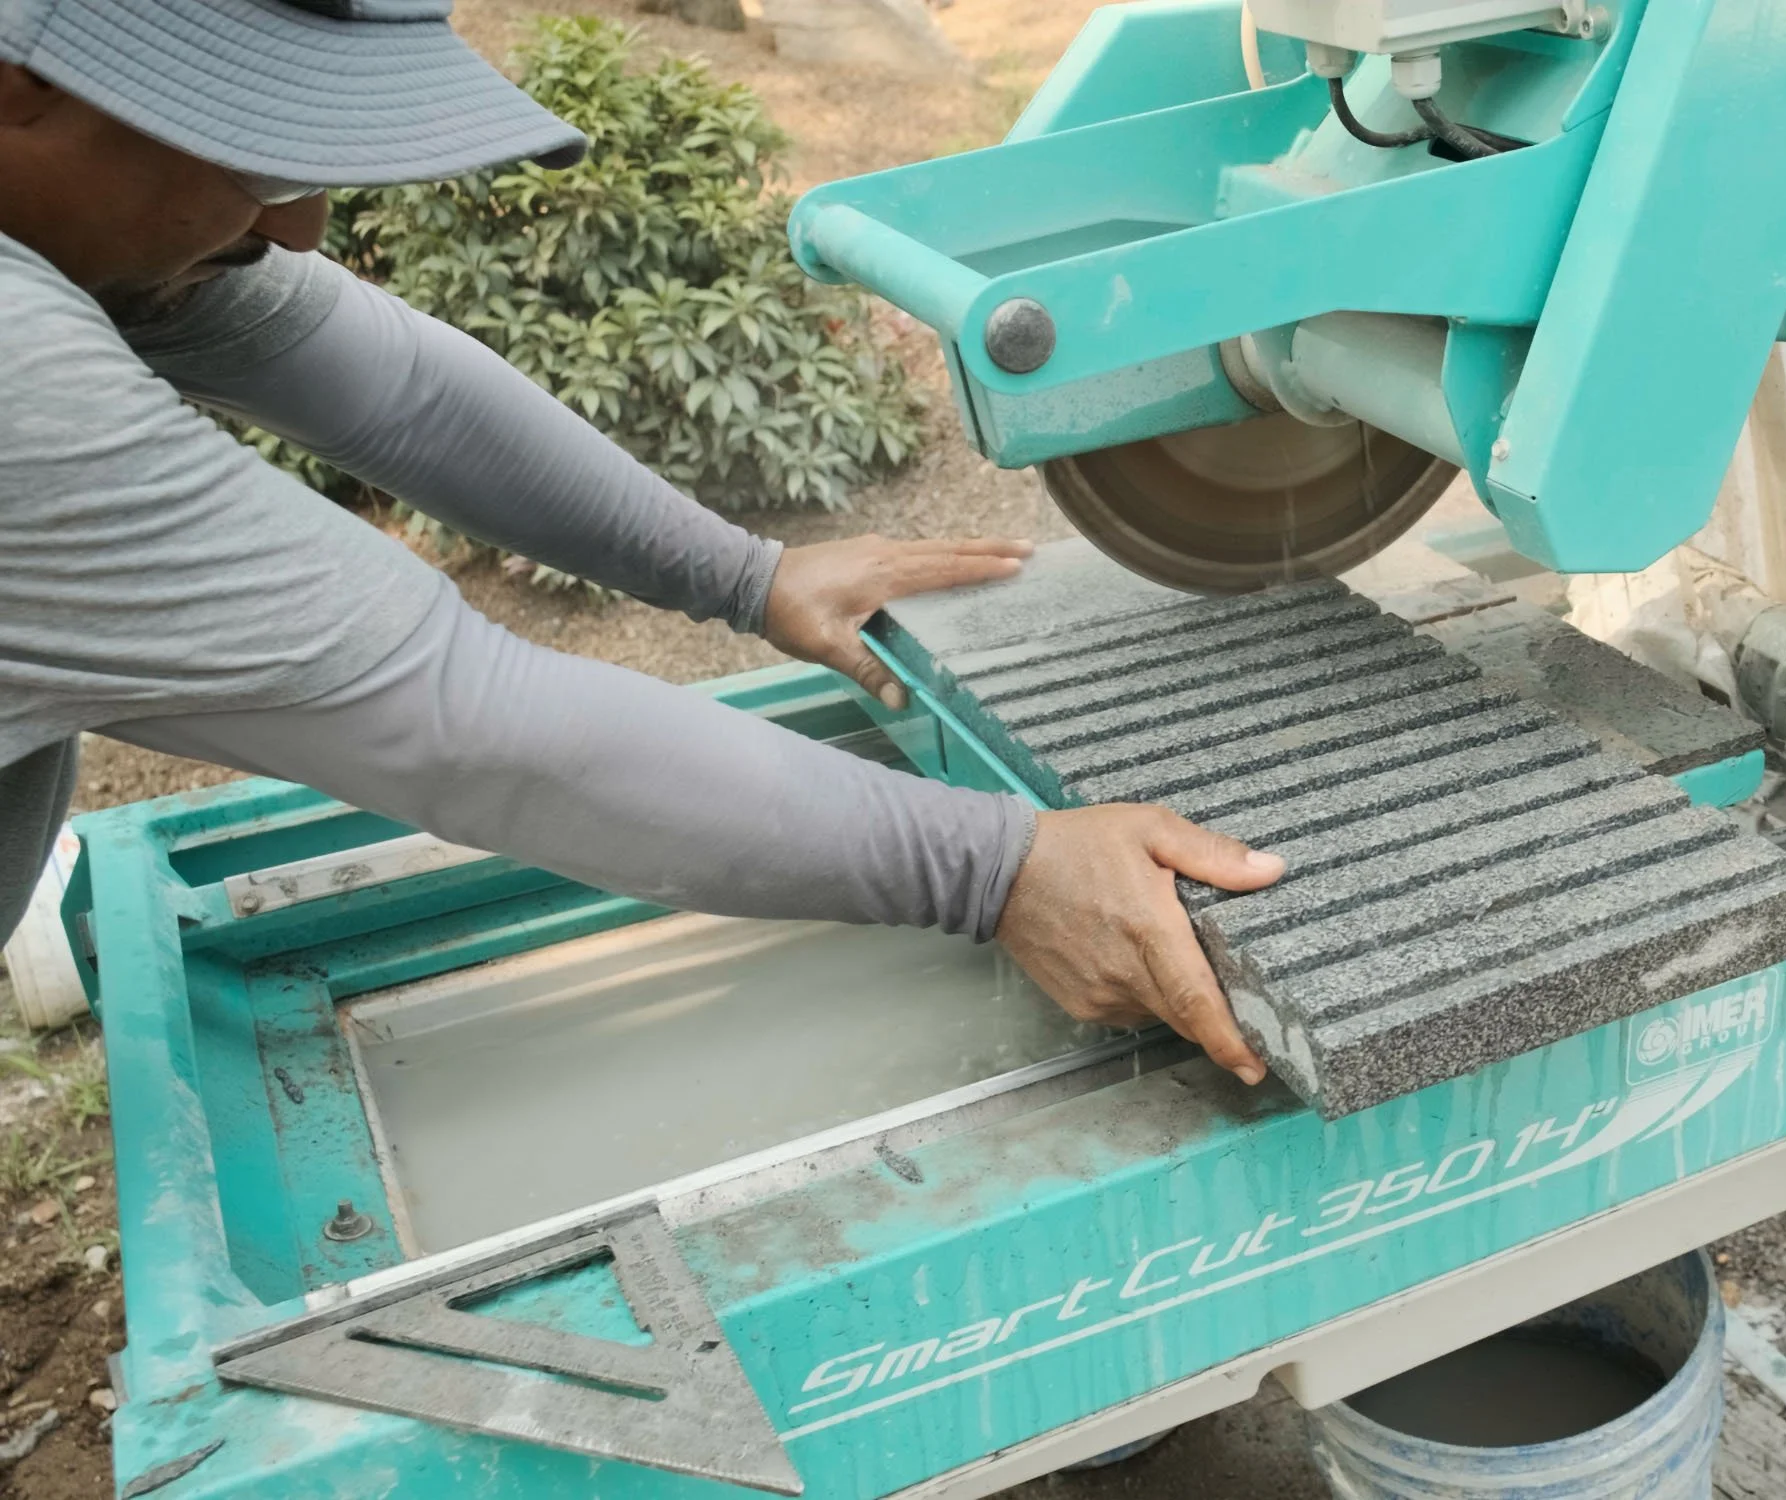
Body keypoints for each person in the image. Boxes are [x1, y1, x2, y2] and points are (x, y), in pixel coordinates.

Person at [0, 0, 1279, 1083]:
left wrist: (747, 576)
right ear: (21, 85)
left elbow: (392, 387)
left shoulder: (89, 210)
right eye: (267, 162)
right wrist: (999, 871)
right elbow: (469, 726)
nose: (299, 228)